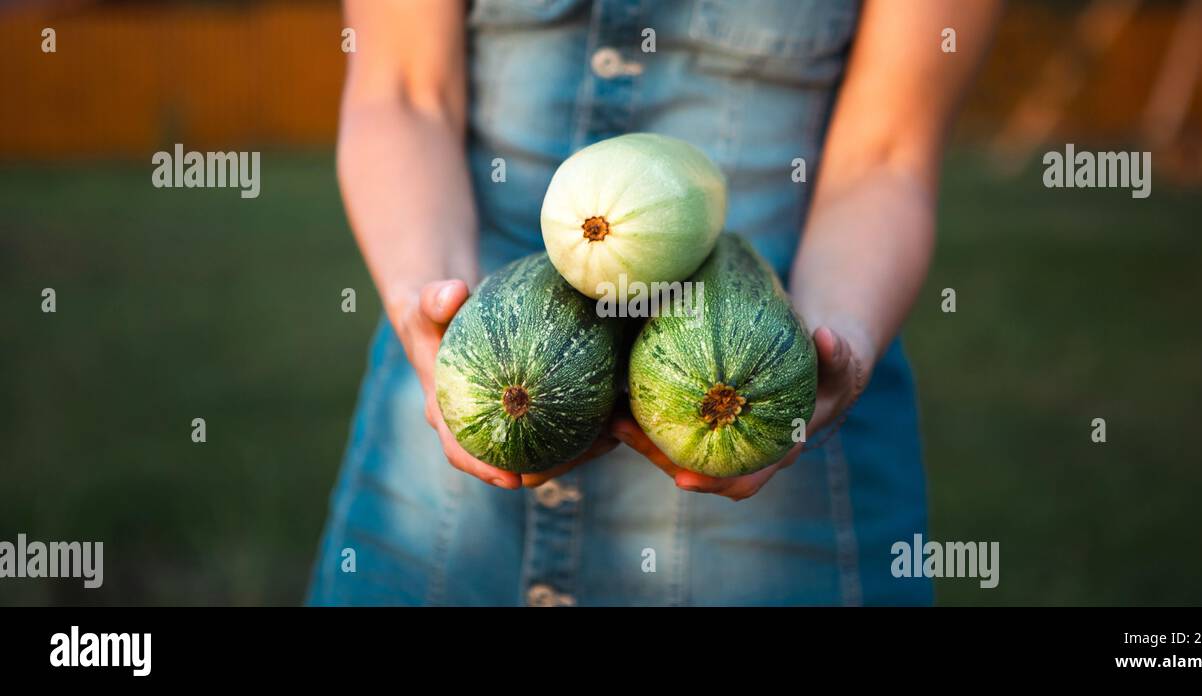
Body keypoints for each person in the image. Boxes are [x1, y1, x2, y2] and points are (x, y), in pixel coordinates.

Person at [308, 0, 1000, 606]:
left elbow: (889, 152)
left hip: (787, 495)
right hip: (437, 490)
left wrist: (842, 330)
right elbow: (400, 94)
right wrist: (421, 301)